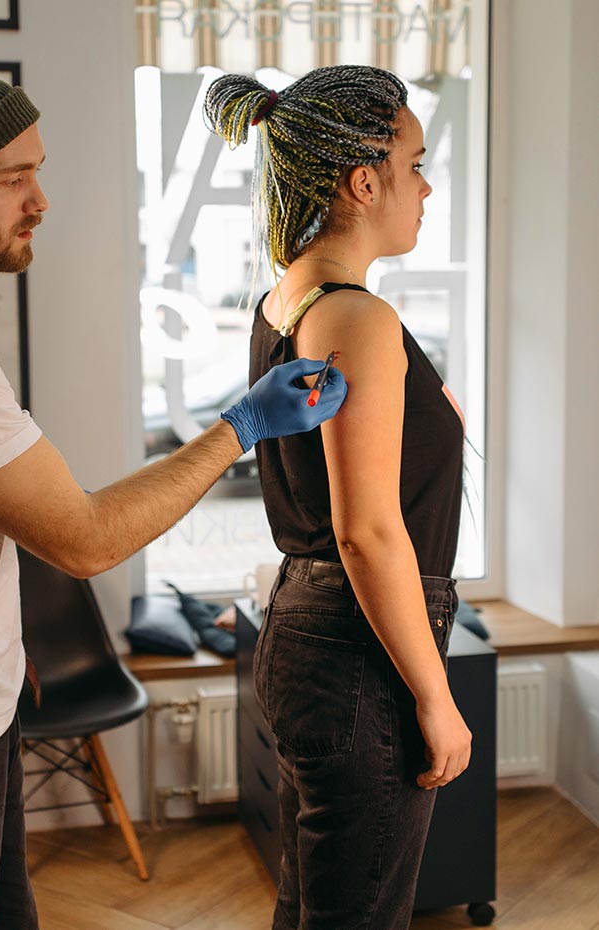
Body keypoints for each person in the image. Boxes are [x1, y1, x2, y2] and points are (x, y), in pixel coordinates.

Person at [0, 62, 346, 930]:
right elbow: (85, 540)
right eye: (12, 179)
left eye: (36, 170)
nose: (39, 201)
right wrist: (241, 426)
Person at [203, 65, 472, 930]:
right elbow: (367, 532)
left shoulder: (289, 299)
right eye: (415, 165)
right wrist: (436, 697)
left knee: (315, 902)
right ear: (364, 182)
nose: (426, 188)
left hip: (311, 629)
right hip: (361, 649)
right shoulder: (357, 318)